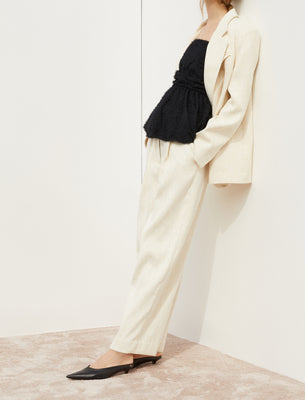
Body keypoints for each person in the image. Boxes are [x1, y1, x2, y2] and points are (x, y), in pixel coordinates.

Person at [66, 0, 261, 380]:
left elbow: (237, 104)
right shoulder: (202, 27)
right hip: (161, 138)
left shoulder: (243, 32)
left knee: (162, 247)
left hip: (188, 148)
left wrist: (201, 150)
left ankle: (124, 347)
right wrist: (157, 134)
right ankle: (147, 344)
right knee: (149, 243)